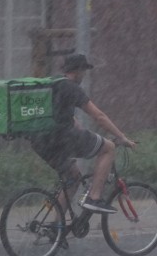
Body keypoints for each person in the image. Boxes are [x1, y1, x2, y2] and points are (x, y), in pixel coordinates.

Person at [30, 52, 136, 215]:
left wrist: (82, 130)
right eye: (84, 71)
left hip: (40, 141)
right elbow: (98, 116)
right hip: (60, 138)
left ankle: (56, 231)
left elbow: (63, 115)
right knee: (108, 148)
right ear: (78, 70)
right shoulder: (71, 87)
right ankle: (94, 198)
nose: (84, 75)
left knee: (73, 178)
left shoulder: (53, 83)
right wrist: (121, 137)